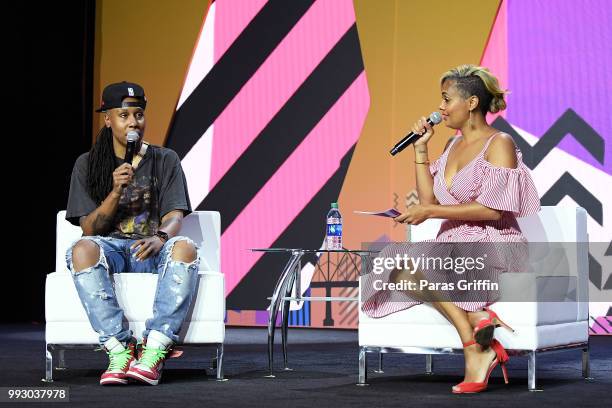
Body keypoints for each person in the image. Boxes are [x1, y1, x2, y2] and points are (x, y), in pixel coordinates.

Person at [362, 64, 540, 393]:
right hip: (452, 241)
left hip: (494, 242)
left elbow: (493, 209)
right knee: (395, 266)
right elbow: (429, 197)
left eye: (446, 100)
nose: (439, 109)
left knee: (419, 263)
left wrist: (430, 210)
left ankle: (474, 351)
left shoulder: (499, 143)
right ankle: (475, 332)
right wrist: (420, 148)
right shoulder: (449, 146)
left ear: (471, 103)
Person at [65, 81, 200, 386]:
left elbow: (174, 215)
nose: (133, 123)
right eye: (124, 116)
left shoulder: (165, 159)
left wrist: (161, 237)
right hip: (110, 249)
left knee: (186, 247)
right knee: (82, 249)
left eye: (138, 115)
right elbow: (89, 228)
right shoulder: (87, 165)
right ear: (108, 118)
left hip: (150, 248)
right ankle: (119, 348)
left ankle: (155, 348)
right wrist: (115, 192)